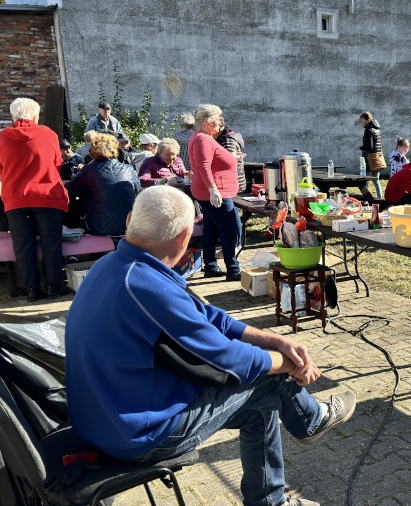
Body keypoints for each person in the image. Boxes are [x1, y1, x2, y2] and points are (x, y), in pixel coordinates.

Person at [64, 186, 355, 506]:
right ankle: (311, 421)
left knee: (262, 402)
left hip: (102, 421)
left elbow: (207, 316)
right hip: (138, 437)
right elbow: (227, 363)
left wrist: (276, 340)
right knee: (268, 377)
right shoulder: (145, 287)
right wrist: (290, 364)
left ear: (130, 219)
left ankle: (272, 498)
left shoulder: (114, 266)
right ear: (184, 237)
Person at [0, 97, 69, 301]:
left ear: (13, 116)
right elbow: (57, 163)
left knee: (23, 245)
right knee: (51, 243)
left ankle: (31, 289)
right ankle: (53, 286)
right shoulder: (49, 134)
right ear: (35, 115)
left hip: (15, 198)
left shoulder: (2, 137)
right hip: (46, 195)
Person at [189, 104, 242, 280]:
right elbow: (203, 166)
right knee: (229, 229)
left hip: (211, 192)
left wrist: (230, 158)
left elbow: (211, 161)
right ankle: (233, 269)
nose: (220, 123)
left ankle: (210, 266)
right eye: (217, 119)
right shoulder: (202, 139)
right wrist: (213, 190)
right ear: (206, 121)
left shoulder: (202, 137)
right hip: (214, 193)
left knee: (211, 229)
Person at [65, 133, 140, 237]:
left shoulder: (89, 170)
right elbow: (136, 189)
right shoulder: (128, 169)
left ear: (92, 150)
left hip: (98, 228)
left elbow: (68, 191)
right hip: (129, 226)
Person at [355, 112, 384, 199]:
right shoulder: (377, 129)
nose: (361, 122)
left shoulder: (368, 130)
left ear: (368, 120)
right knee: (376, 181)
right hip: (377, 158)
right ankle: (380, 199)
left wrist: (360, 148)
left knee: (365, 181)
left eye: (362, 120)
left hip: (369, 159)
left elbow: (369, 147)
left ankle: (366, 199)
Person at [215, 118, 247, 193]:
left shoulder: (227, 140)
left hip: (233, 185)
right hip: (235, 184)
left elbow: (229, 162)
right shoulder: (225, 138)